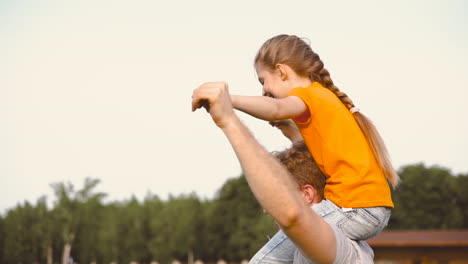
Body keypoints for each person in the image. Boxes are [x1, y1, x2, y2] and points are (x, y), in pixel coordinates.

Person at [229, 34, 397, 244]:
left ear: (281, 71)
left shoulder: (308, 94)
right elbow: (316, 155)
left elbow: (276, 109)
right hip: (372, 210)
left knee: (269, 258)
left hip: (351, 208)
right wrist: (289, 130)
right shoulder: (323, 98)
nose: (264, 90)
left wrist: (226, 99)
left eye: (263, 81)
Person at [192, 82, 374, 263]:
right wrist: (284, 118)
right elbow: (309, 153)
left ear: (307, 195)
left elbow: (292, 214)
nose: (266, 208)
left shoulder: (343, 252)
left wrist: (228, 120)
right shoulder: (305, 251)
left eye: (278, 194)